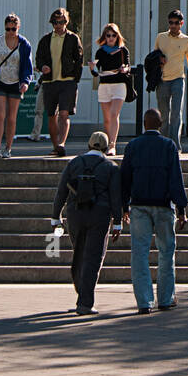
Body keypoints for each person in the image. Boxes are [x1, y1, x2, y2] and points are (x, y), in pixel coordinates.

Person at [120, 109, 188, 314]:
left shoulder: (133, 146)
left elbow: (124, 179)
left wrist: (123, 207)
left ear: (144, 124)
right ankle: (166, 298)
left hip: (139, 206)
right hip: (163, 206)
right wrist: (182, 208)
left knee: (139, 253)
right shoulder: (168, 146)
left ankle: (144, 302)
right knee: (166, 253)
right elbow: (176, 179)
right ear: (160, 125)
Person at [52, 130, 122, 315]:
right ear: (107, 148)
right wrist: (118, 222)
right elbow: (116, 197)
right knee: (93, 257)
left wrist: (55, 216)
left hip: (75, 214)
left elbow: (61, 192)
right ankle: (85, 302)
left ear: (88, 145)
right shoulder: (111, 167)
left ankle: (81, 293)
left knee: (79, 254)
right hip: (99, 215)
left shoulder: (74, 163)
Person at [0, 14, 33, 158]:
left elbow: (28, 65)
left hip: (16, 83)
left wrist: (26, 82)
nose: (10, 32)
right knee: (0, 115)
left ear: (18, 28)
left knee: (12, 117)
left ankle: (8, 148)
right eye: (8, 29)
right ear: (4, 28)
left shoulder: (24, 44)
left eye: (13, 29)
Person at [36, 8, 84, 156]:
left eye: (62, 22)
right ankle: (55, 146)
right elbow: (39, 58)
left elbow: (79, 59)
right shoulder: (45, 40)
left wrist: (75, 78)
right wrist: (42, 67)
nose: (58, 25)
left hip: (67, 81)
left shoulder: (73, 38)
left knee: (64, 114)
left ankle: (62, 143)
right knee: (51, 115)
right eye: (56, 22)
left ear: (66, 22)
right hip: (50, 82)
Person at [152, 10, 188, 151]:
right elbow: (154, 56)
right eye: (170, 23)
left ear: (181, 23)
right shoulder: (161, 37)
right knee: (163, 113)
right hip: (162, 79)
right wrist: (159, 60)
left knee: (176, 113)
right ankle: (163, 143)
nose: (173, 26)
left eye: (176, 23)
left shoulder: (187, 40)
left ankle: (174, 145)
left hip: (178, 79)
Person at [90, 23, 130, 155]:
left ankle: (112, 144)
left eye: (114, 35)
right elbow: (96, 72)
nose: (111, 38)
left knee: (114, 114)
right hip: (105, 85)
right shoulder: (101, 51)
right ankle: (107, 144)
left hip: (119, 85)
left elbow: (128, 66)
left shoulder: (123, 50)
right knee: (107, 118)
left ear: (117, 36)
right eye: (108, 35)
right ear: (105, 37)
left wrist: (125, 69)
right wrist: (92, 68)